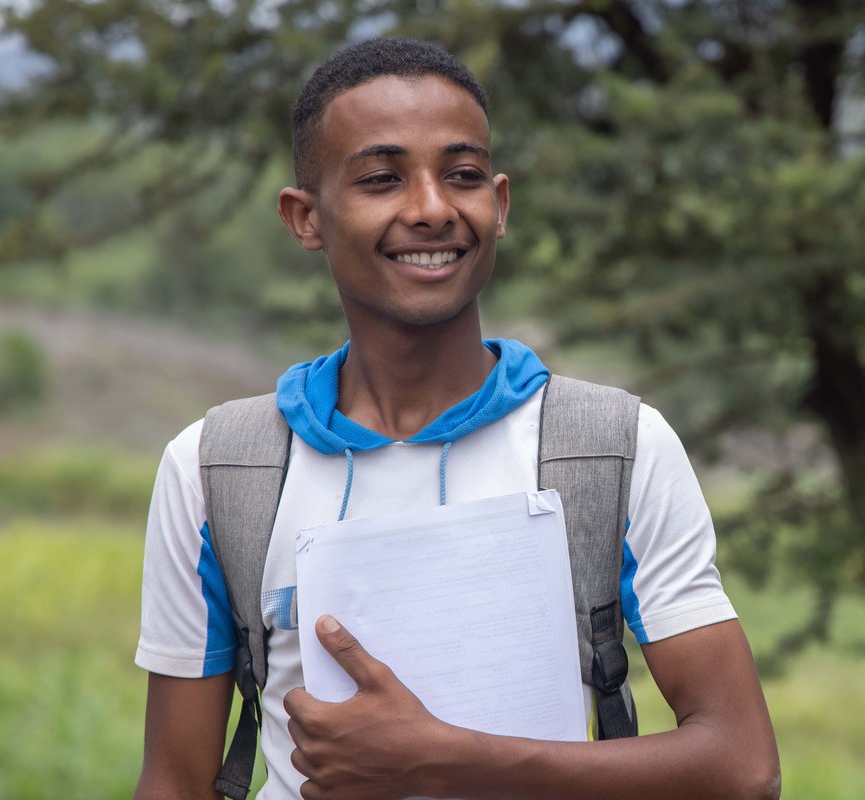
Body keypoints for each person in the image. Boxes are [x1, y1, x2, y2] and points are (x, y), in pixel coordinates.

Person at [132, 37, 780, 800]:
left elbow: (742, 767)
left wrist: (441, 756)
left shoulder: (611, 449)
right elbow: (174, 781)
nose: (432, 209)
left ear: (499, 205)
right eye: (381, 179)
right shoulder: (219, 468)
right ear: (305, 217)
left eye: (463, 175)